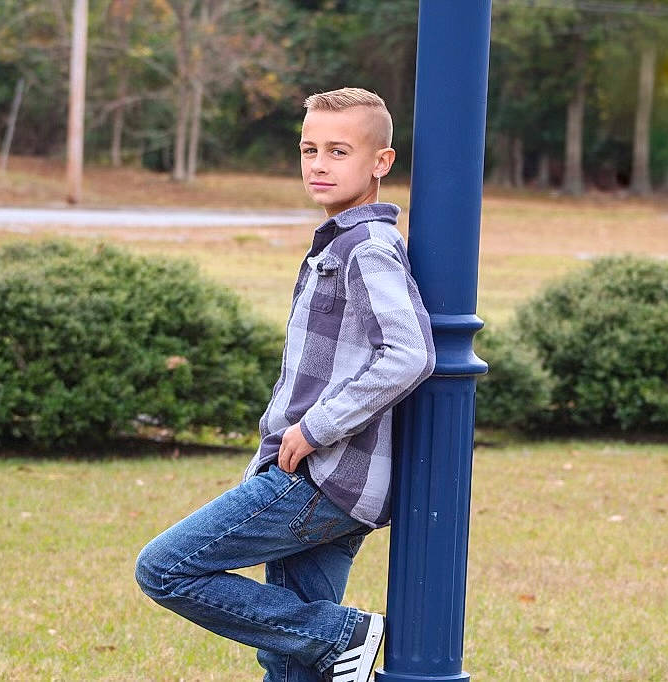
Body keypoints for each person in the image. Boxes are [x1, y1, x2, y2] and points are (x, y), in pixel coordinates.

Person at [135, 87, 436, 682]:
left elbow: (410, 353)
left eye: (339, 151)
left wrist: (315, 428)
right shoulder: (338, 244)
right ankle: (331, 643)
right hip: (314, 474)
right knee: (291, 660)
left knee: (165, 567)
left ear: (381, 163)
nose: (319, 164)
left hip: (322, 477)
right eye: (309, 149)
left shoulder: (367, 249)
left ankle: (343, 634)